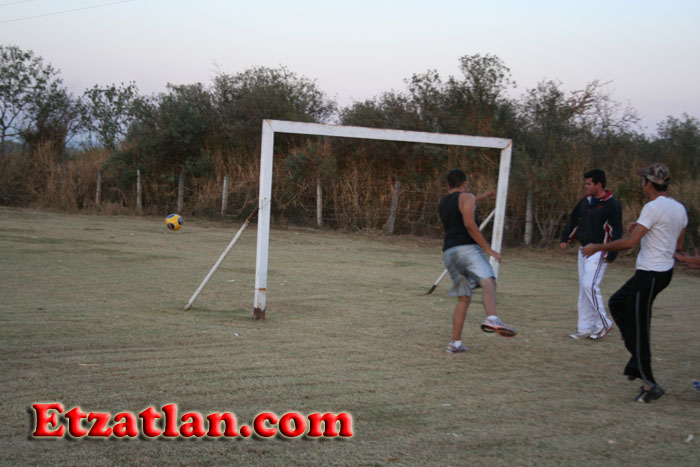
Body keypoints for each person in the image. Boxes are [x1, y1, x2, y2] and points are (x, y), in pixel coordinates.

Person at [582, 162, 687, 403]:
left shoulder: (653, 207)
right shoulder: (679, 208)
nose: (642, 184)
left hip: (649, 274)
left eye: (643, 180)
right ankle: (636, 359)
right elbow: (678, 245)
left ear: (648, 184)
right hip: (661, 273)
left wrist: (597, 246)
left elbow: (630, 243)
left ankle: (649, 384)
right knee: (617, 303)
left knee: (640, 328)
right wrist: (641, 231)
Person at [438, 168, 516, 354]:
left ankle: (455, 343)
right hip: (467, 249)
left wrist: (482, 196)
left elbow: (465, 202)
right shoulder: (467, 197)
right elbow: (469, 224)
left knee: (464, 298)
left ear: (448, 185)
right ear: (464, 184)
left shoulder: (443, 202)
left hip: (449, 253)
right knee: (489, 280)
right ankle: (492, 318)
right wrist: (488, 249)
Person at [560, 169, 623, 340]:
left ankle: (604, 323)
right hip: (583, 250)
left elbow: (616, 231)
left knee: (590, 285)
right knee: (584, 288)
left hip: (599, 251)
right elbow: (574, 220)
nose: (586, 186)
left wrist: (611, 253)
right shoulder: (585, 201)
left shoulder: (612, 205)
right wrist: (566, 238)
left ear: (598, 184)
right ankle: (585, 328)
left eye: (589, 184)